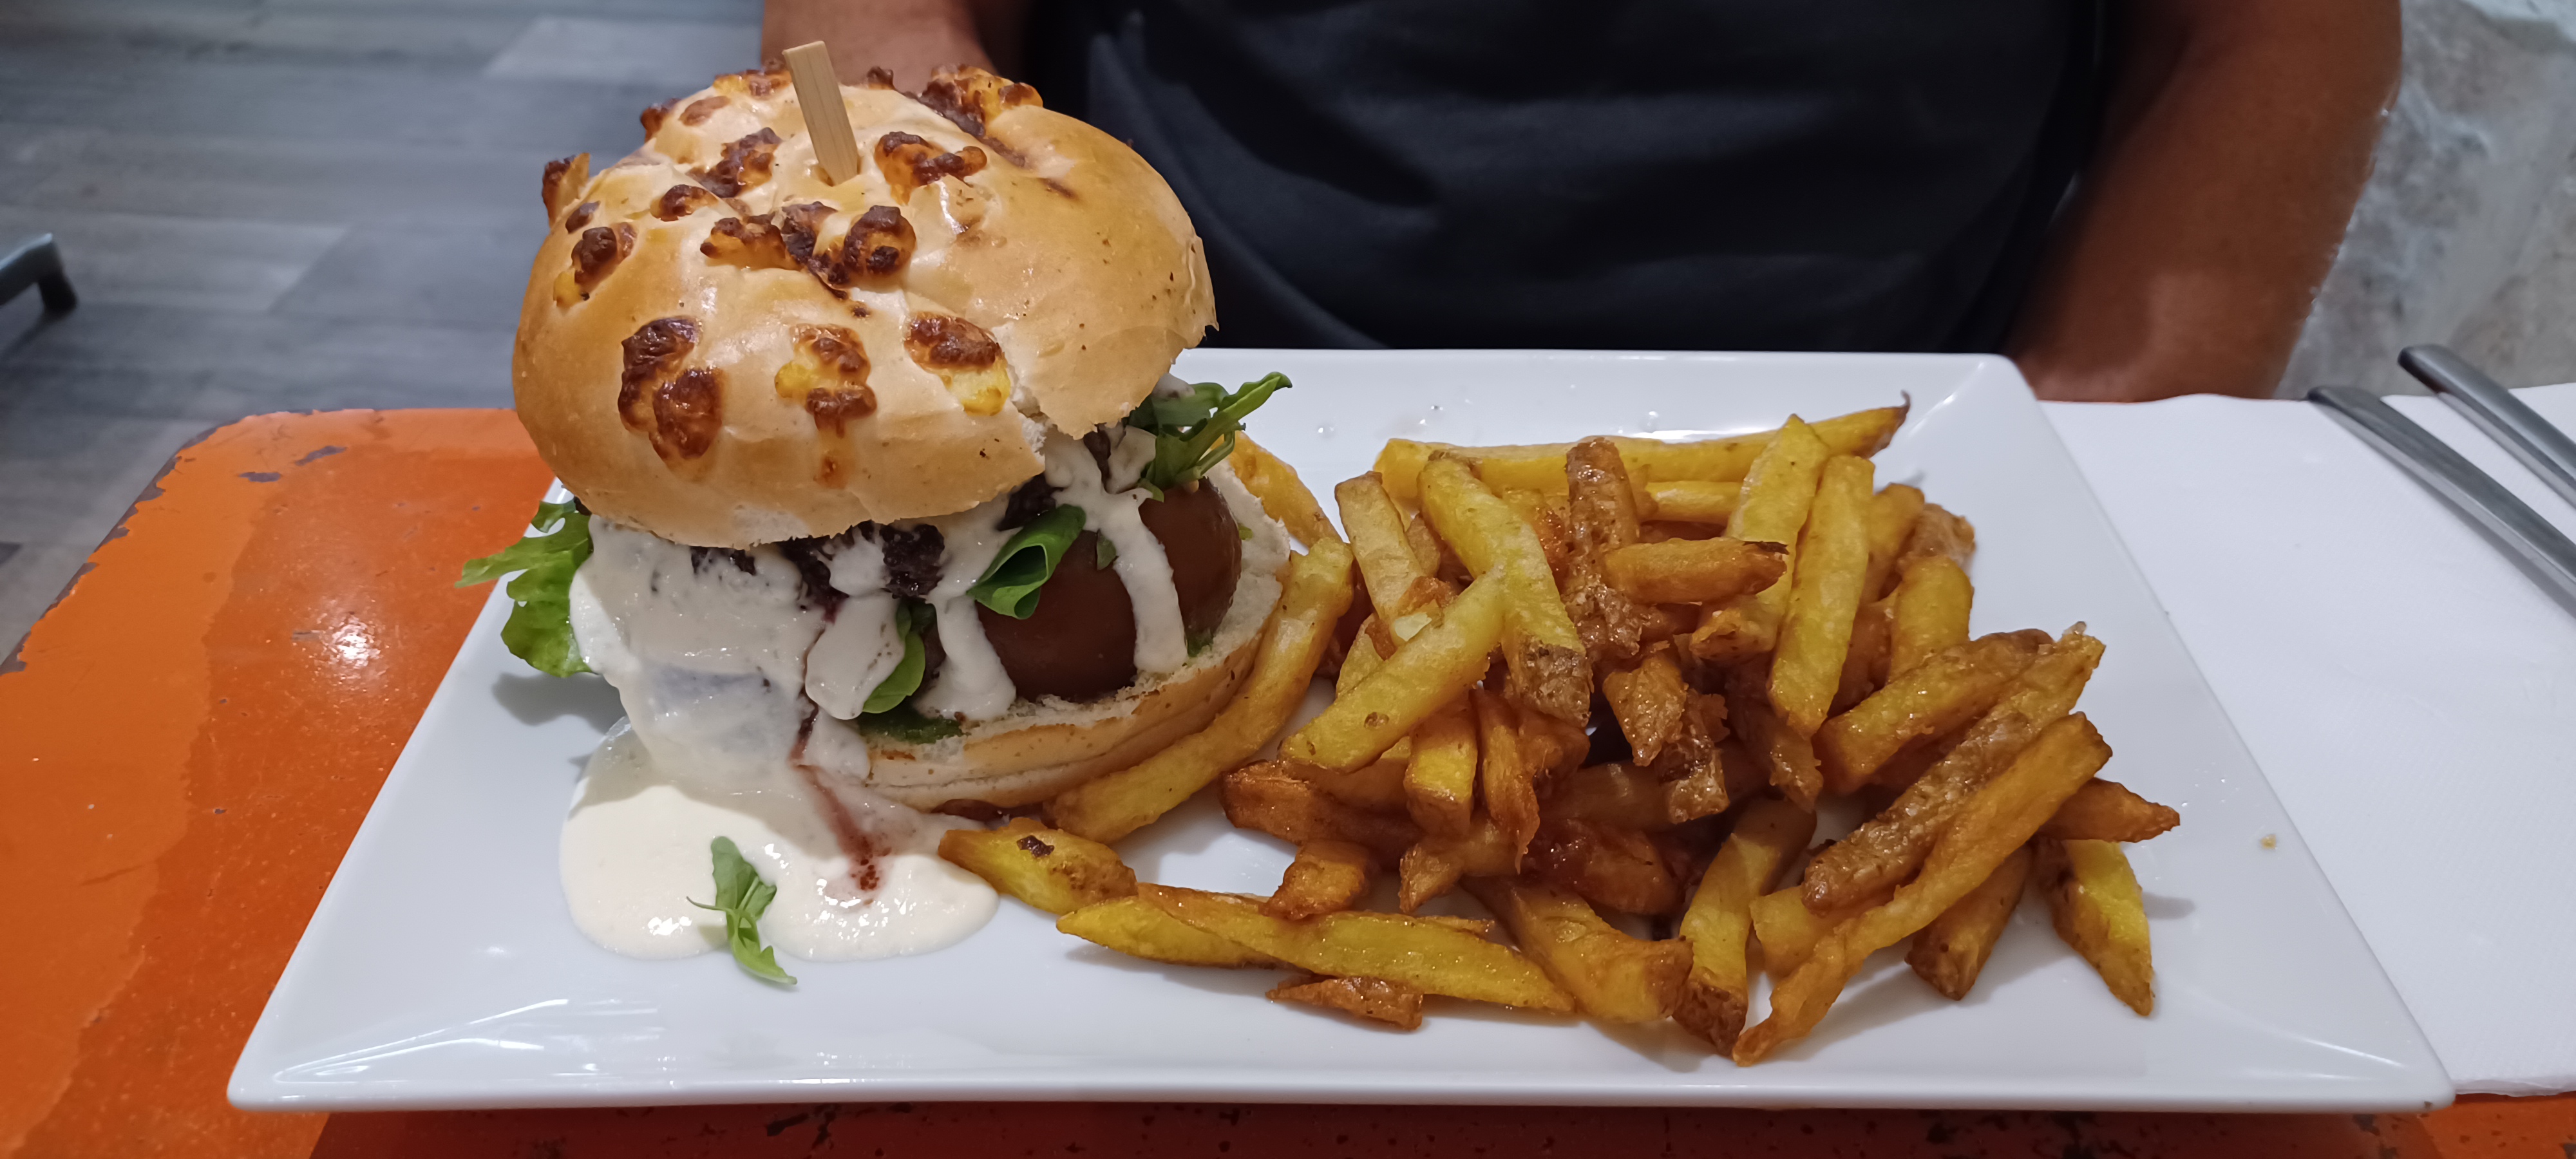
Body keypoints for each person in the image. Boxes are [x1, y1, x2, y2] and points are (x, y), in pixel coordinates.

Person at [762, 0, 2398, 402]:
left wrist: (2089, 449)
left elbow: (2263, 32)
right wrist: (951, 369)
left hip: (1908, 414)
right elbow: (873, 17)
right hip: (1188, 402)